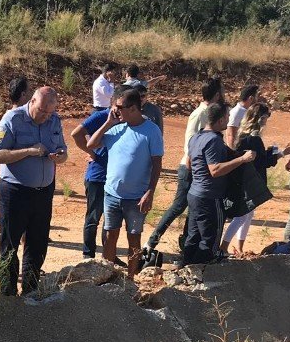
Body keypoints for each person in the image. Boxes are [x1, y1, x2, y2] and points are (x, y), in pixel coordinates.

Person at [0, 86, 67, 296]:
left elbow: (64, 150)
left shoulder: (54, 120)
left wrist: (60, 156)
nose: (45, 116)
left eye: (49, 112)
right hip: (15, 192)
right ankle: (7, 291)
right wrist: (29, 151)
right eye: (42, 111)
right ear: (32, 101)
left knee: (37, 241)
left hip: (43, 192)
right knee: (9, 242)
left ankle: (31, 289)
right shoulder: (12, 119)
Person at [86, 86, 163, 279]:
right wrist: (107, 123)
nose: (115, 110)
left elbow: (157, 164)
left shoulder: (151, 131)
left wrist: (150, 192)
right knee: (110, 236)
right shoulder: (117, 127)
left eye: (119, 107)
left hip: (136, 198)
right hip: (112, 194)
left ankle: (131, 279)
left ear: (133, 108)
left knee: (134, 238)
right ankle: (107, 277)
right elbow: (91, 144)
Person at [143, 77, 225, 256]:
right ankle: (152, 241)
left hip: (196, 168)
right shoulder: (200, 113)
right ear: (218, 94)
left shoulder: (210, 111)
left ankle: (187, 246)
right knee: (179, 206)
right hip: (190, 168)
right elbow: (190, 143)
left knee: (194, 208)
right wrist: (192, 169)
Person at [181, 102, 255, 265]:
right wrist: (242, 159)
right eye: (227, 117)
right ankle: (204, 274)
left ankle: (186, 269)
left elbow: (188, 164)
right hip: (210, 197)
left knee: (193, 236)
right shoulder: (214, 140)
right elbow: (215, 170)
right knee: (210, 240)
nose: (229, 120)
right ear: (221, 120)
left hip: (195, 195)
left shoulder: (196, 137)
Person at [220, 104, 290, 255]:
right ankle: (223, 247)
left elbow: (258, 158)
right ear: (260, 118)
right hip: (249, 182)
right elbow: (263, 162)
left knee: (248, 214)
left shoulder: (244, 134)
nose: (266, 120)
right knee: (242, 216)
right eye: (266, 117)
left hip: (244, 180)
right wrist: (282, 153)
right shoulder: (254, 138)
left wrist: (270, 153)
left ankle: (239, 247)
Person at [70, 107, 109, 258]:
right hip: (97, 176)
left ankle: (108, 254)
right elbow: (76, 133)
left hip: (115, 176)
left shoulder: (130, 119)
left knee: (111, 220)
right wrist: (91, 153)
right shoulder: (101, 116)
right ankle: (88, 255)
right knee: (93, 217)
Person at [225, 84, 260, 149]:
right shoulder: (237, 112)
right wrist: (233, 154)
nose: (257, 100)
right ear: (251, 98)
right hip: (238, 151)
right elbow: (230, 135)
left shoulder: (247, 111)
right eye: (256, 97)